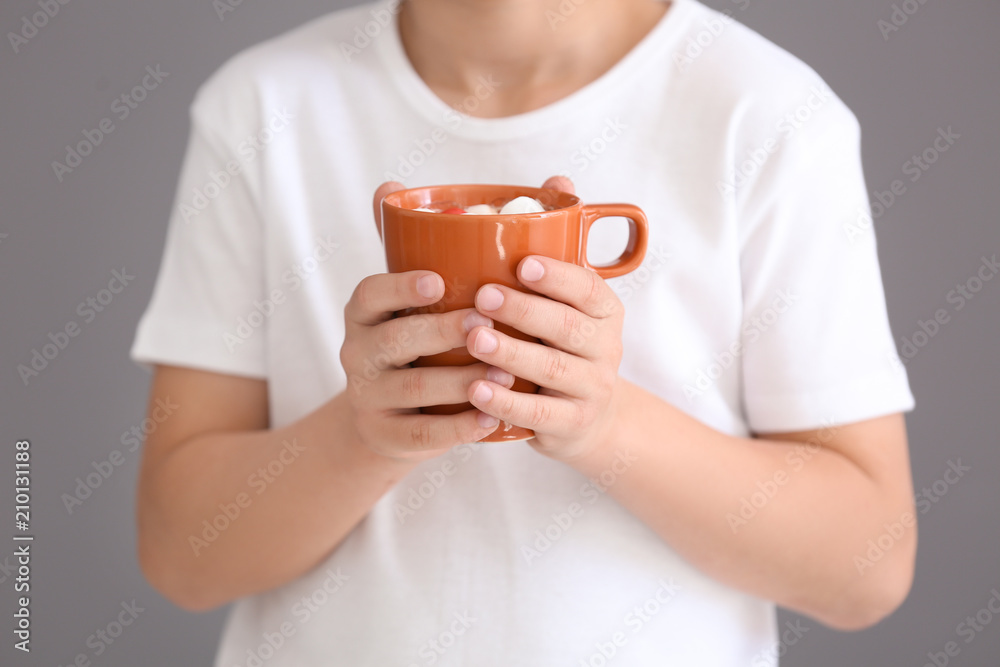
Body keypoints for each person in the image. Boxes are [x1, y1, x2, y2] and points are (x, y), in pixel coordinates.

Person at [131, 0, 917, 664]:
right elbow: (182, 553)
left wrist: (605, 423)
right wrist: (367, 430)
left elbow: (867, 566)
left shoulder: (768, 117)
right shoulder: (262, 107)